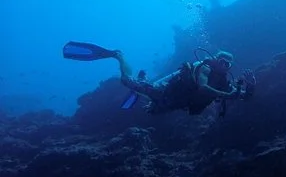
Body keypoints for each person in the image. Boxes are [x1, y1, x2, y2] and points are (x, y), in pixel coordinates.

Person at [62, 41, 256, 116]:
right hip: (164, 91)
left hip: (176, 102)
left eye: (228, 64)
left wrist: (251, 87)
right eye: (222, 61)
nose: (225, 66)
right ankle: (118, 55)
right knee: (127, 82)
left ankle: (143, 82)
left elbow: (241, 97)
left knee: (151, 112)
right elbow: (204, 89)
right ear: (215, 60)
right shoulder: (204, 69)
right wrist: (228, 95)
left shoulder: (223, 82)